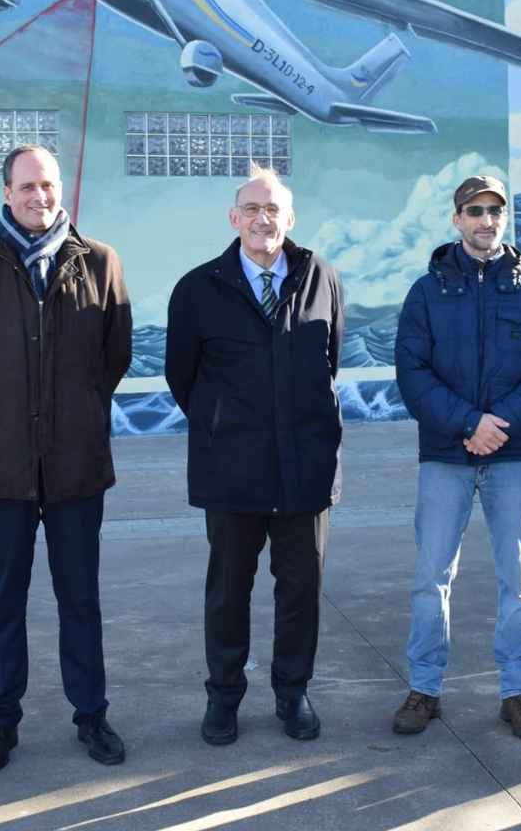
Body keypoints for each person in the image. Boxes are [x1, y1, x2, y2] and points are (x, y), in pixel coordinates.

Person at [0, 144, 134, 775]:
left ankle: (91, 716)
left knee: (80, 598)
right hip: (1, 468)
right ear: (5, 192)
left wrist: (81, 412)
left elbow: (115, 355)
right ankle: (0, 724)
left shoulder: (98, 261)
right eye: (26, 187)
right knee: (3, 600)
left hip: (75, 467)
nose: (39, 197)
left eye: (47, 185)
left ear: (59, 188)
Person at [165, 164, 344, 745]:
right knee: (227, 592)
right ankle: (223, 697)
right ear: (233, 217)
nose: (262, 219)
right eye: (251, 209)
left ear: (289, 220)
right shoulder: (198, 289)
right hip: (232, 472)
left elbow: (329, 364)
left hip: (305, 471)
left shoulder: (321, 277)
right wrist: (226, 426)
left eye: (273, 210)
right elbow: (182, 378)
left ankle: (293, 694)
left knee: (300, 593)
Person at [389, 174, 521, 740]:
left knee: (519, 581)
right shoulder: (426, 291)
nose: (486, 220)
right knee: (430, 578)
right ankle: (425, 689)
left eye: (496, 210)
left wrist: (498, 428)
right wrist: (469, 424)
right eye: (475, 210)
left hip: (513, 457)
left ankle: (516, 693)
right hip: (445, 455)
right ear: (456, 218)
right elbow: (412, 373)